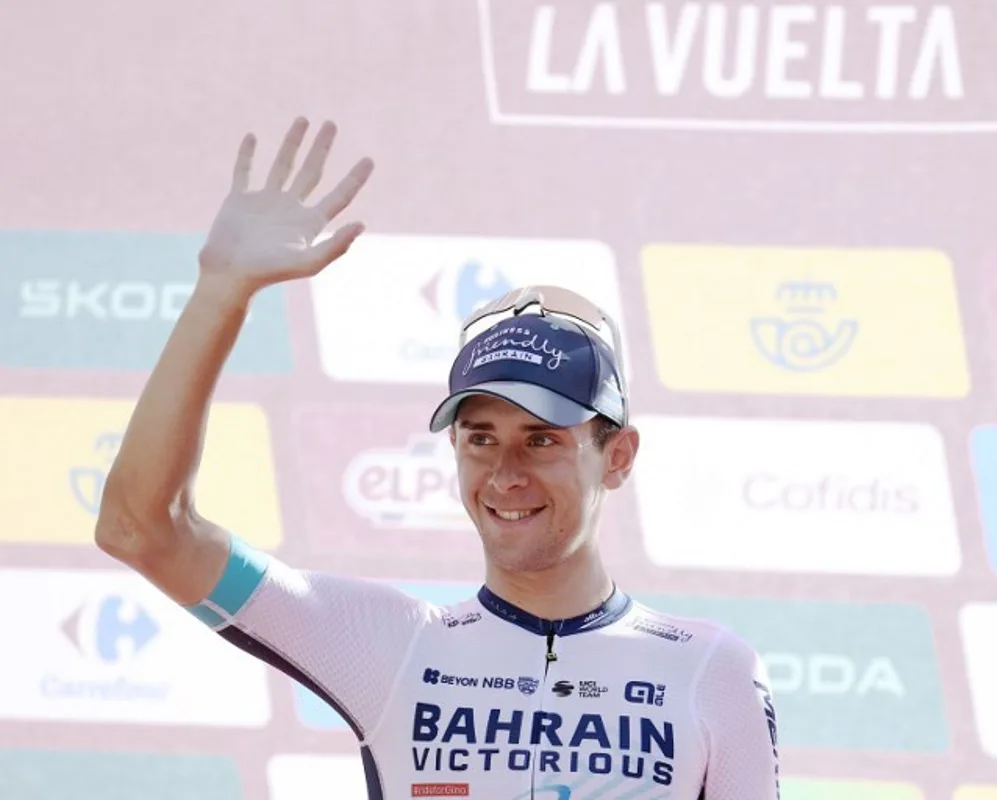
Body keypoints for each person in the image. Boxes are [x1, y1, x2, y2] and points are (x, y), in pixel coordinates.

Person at [95, 116, 782, 800]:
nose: (506, 473)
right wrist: (221, 293)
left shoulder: (709, 669)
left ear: (618, 456)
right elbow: (139, 527)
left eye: (541, 439)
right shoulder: (388, 645)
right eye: (480, 437)